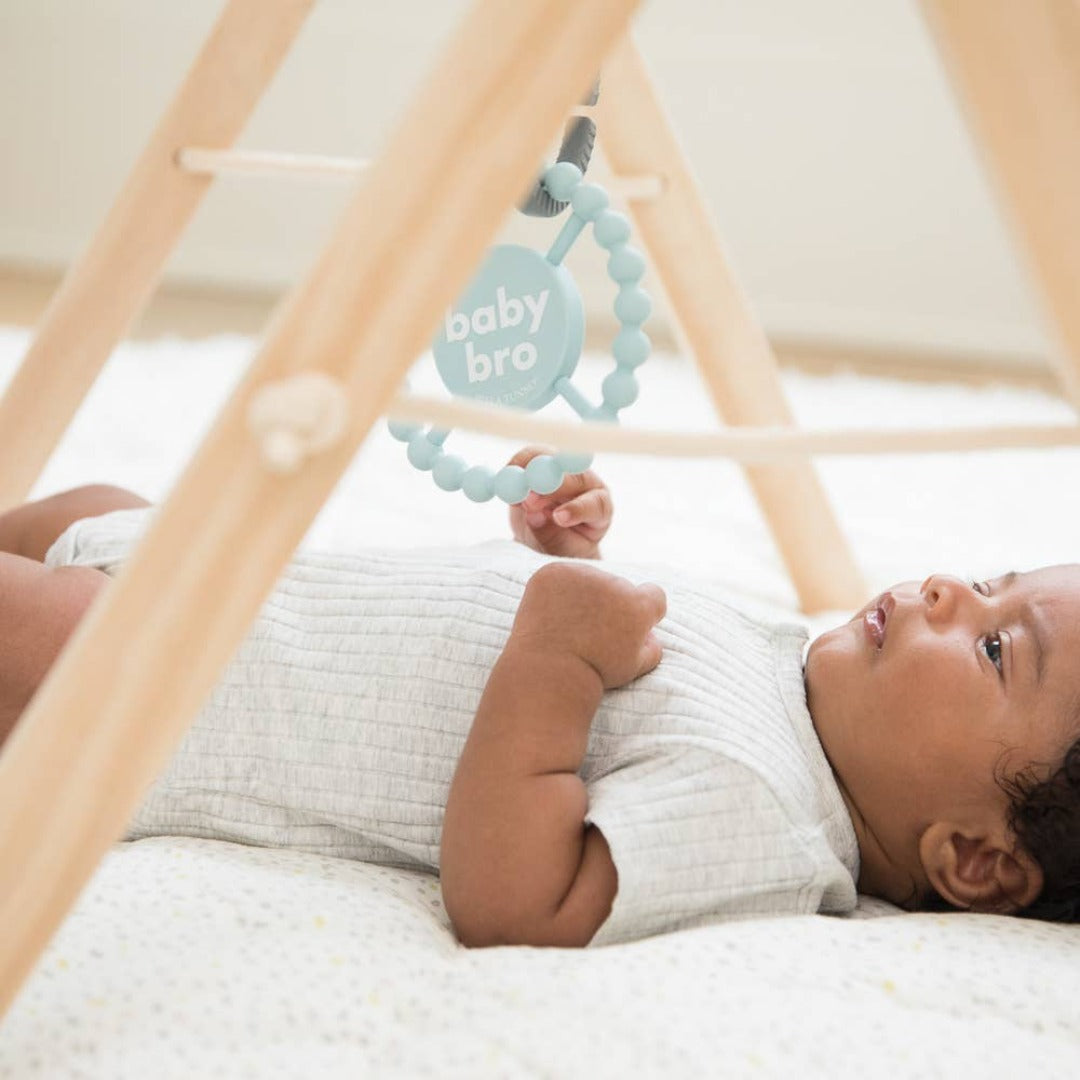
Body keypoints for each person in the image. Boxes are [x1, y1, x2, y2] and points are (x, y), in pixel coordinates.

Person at [1, 446, 1078, 948]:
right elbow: (621, 649)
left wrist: (556, 662)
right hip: (246, 586)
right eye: (989, 578)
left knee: (33, 619)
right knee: (99, 501)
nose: (945, 588)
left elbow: (520, 899)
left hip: (186, 698)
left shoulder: (767, 812)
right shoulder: (781, 671)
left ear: (974, 860)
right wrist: (566, 550)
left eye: (993, 647)